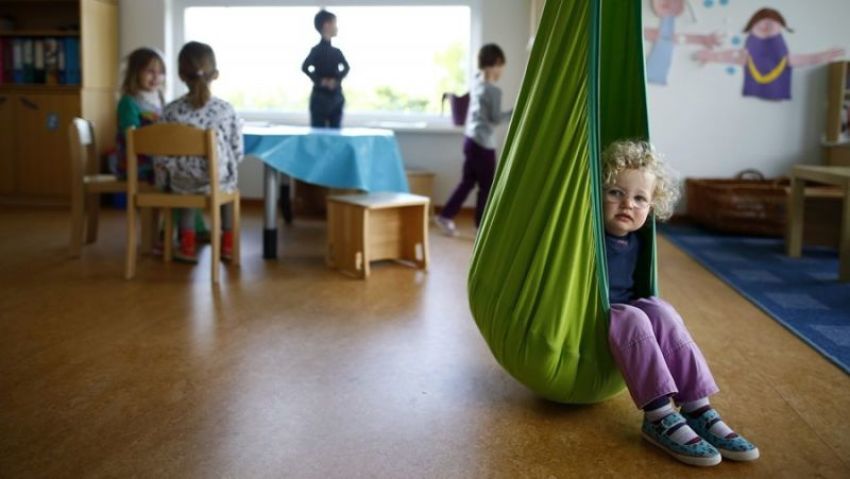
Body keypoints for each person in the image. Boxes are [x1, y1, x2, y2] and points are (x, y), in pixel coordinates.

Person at [602, 140, 759, 466]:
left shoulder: (638, 241)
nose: (627, 204)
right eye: (615, 192)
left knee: (661, 309)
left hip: (630, 317)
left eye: (640, 198)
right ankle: (658, 415)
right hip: (594, 316)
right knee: (632, 317)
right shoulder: (584, 234)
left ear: (653, 206)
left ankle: (697, 407)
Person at [154, 41, 243, 263]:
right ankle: (228, 245)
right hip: (218, 180)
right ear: (215, 74)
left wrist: (164, 180)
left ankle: (187, 246)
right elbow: (237, 151)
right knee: (227, 188)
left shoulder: (171, 111)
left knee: (183, 187)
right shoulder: (225, 110)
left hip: (181, 181)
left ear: (181, 75)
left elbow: (160, 154)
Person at [435, 43, 512, 236]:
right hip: (484, 144)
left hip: (470, 140)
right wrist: (515, 112)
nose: (502, 70)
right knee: (486, 187)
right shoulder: (494, 91)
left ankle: (445, 215)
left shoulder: (476, 83)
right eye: (502, 65)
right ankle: (481, 227)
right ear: (495, 63)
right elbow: (495, 119)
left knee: (468, 181)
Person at [114, 48, 166, 183]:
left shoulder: (160, 100)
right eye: (150, 71)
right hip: (136, 167)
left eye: (161, 72)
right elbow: (132, 137)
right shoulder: (129, 102)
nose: (156, 77)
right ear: (135, 72)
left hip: (154, 162)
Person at [302, 9, 350, 128]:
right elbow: (305, 67)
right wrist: (321, 81)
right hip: (319, 98)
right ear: (327, 25)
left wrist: (336, 81)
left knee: (336, 134)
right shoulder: (316, 51)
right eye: (334, 23)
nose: (336, 27)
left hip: (336, 97)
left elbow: (346, 67)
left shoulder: (336, 52)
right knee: (318, 133)